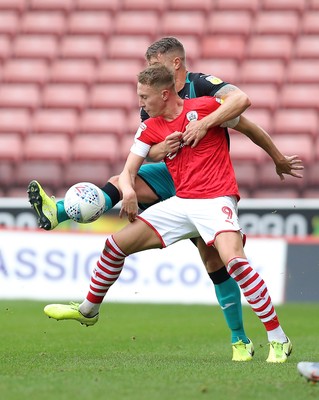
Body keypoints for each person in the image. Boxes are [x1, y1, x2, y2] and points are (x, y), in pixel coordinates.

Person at [28, 37, 303, 362]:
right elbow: (135, 163)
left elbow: (242, 106)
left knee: (226, 263)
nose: (140, 102)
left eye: (145, 94)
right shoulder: (151, 121)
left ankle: (264, 338)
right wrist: (130, 187)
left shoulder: (204, 97)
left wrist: (272, 155)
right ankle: (86, 302)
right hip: (180, 195)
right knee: (116, 239)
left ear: (168, 80)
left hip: (215, 198)